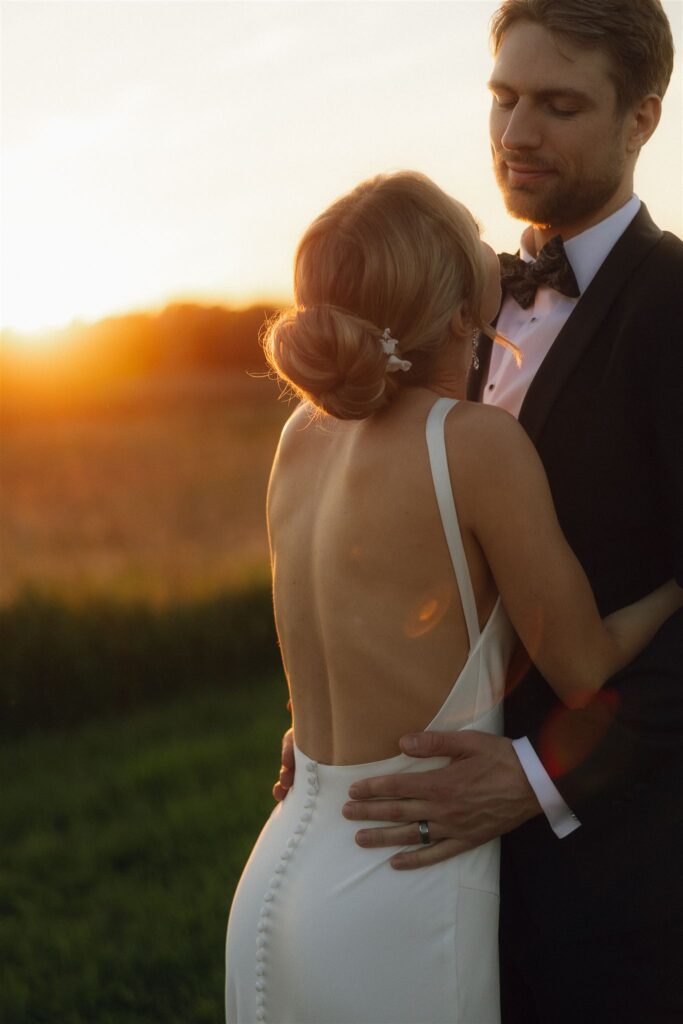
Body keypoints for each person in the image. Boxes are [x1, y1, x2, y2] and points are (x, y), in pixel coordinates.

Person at [225, 170, 682, 1023]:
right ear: (457, 313)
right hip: (400, 884)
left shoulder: (300, 436)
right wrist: (668, 591)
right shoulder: (476, 445)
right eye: (472, 236)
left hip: (279, 872)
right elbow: (582, 667)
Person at [327, 2, 683, 1021]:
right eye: (502, 97)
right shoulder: (450, 296)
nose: (514, 133)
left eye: (557, 106)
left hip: (616, 885)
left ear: (640, 119)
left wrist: (540, 776)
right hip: (429, 867)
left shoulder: (672, 307)